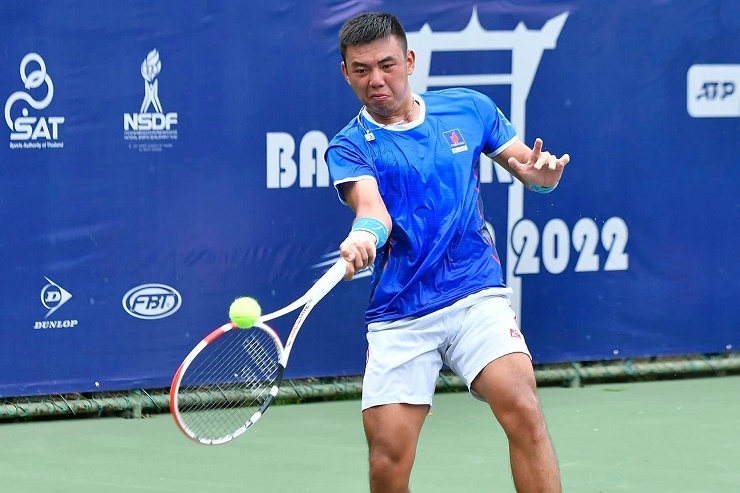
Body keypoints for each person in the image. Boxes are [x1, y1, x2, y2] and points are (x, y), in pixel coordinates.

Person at [325, 11, 568, 493]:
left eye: (387, 65)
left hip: (473, 291)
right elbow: (372, 211)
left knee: (522, 405)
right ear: (346, 73)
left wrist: (541, 177)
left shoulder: (468, 108)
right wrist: (364, 236)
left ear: (410, 61)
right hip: (401, 312)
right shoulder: (349, 146)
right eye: (362, 70)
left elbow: (529, 168)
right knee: (388, 461)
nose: (376, 80)